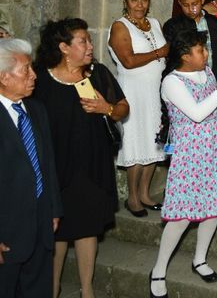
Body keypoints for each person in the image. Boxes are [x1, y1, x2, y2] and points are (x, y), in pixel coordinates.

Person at [33, 18, 129, 298]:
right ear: (64, 48)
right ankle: (52, 289)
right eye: (83, 41)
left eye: (89, 40)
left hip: (91, 164)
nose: (90, 46)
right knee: (57, 232)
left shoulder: (97, 74)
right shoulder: (41, 78)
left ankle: (87, 290)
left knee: (87, 227)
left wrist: (106, 107)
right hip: (55, 166)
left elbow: (123, 108)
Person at [149, 29, 217, 298]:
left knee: (213, 209)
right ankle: (158, 271)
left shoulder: (208, 73)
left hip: (214, 149)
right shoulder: (172, 82)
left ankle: (199, 259)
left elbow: (215, 107)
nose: (206, 54)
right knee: (182, 215)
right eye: (201, 50)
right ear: (185, 56)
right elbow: (198, 114)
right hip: (190, 155)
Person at [0, 39, 62, 298]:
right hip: (7, 233)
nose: (34, 75)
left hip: (41, 228)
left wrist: (54, 209)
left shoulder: (36, 110)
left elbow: (48, 163)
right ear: (4, 77)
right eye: (26, 70)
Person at [108, 0, 168, 217]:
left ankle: (145, 193)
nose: (140, 4)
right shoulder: (120, 26)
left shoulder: (154, 22)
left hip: (155, 91)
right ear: (125, 1)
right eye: (134, 0)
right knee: (135, 142)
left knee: (153, 140)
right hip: (132, 92)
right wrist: (158, 53)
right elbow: (128, 60)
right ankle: (132, 198)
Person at [163, 0, 217, 84]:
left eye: (194, 4)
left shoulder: (214, 22)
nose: (191, 9)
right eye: (185, 5)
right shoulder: (173, 25)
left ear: (202, 0)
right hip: (186, 82)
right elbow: (170, 58)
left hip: (215, 79)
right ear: (179, 3)